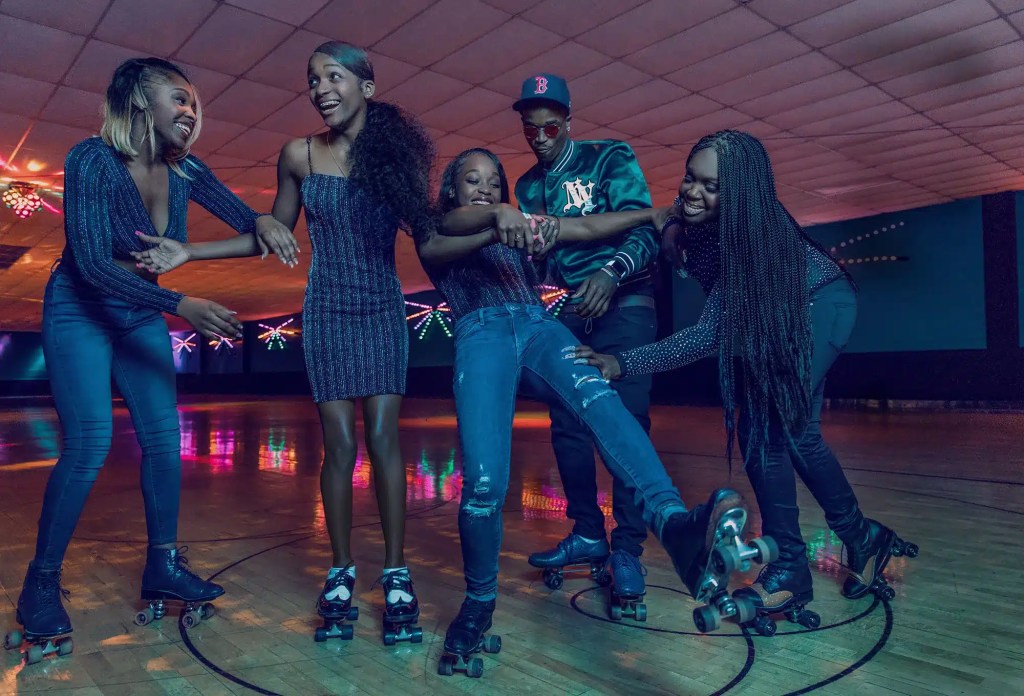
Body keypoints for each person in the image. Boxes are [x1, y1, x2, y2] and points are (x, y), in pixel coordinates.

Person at [418, 147, 769, 673]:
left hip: (537, 327)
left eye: (495, 182)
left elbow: (584, 227)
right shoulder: (438, 229)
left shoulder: (522, 228)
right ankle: (479, 602)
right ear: (453, 190)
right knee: (486, 483)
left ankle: (674, 526)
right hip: (481, 333)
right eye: (474, 180)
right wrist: (496, 218)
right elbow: (445, 230)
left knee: (602, 401)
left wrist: (647, 217)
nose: (487, 189)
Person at [572, 130, 918, 632]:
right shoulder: (691, 220)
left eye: (710, 186)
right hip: (774, 320)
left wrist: (620, 363)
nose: (693, 191)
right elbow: (659, 233)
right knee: (789, 434)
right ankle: (858, 538)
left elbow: (705, 337)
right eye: (691, 178)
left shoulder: (749, 238)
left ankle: (792, 566)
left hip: (820, 308)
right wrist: (661, 241)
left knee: (769, 431)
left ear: (739, 195)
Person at [13, 57, 297, 648]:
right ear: (139, 103)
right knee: (89, 442)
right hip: (80, 308)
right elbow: (91, 263)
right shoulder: (90, 160)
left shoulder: (187, 169)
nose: (190, 111)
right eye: (178, 98)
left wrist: (268, 222)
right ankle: (40, 582)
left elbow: (248, 221)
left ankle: (161, 565)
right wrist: (178, 304)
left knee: (164, 443)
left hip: (139, 311)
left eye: (194, 103)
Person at [268, 41, 434, 638]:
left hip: (382, 308)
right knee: (338, 446)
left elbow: (433, 233)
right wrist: (258, 222)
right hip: (327, 310)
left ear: (367, 86)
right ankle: (340, 569)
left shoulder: (392, 161)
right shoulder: (299, 155)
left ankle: (395, 571)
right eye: (312, 79)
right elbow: (275, 228)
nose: (319, 88)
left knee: (384, 438)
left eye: (332, 76)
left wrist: (496, 219)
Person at [513, 73, 657, 605]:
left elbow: (643, 227)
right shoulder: (528, 187)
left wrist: (610, 273)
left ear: (568, 120)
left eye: (550, 126)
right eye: (531, 129)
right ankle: (588, 534)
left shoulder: (609, 157)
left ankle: (628, 551)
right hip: (575, 303)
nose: (541, 136)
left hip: (627, 299)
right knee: (567, 419)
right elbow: (545, 259)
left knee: (629, 420)